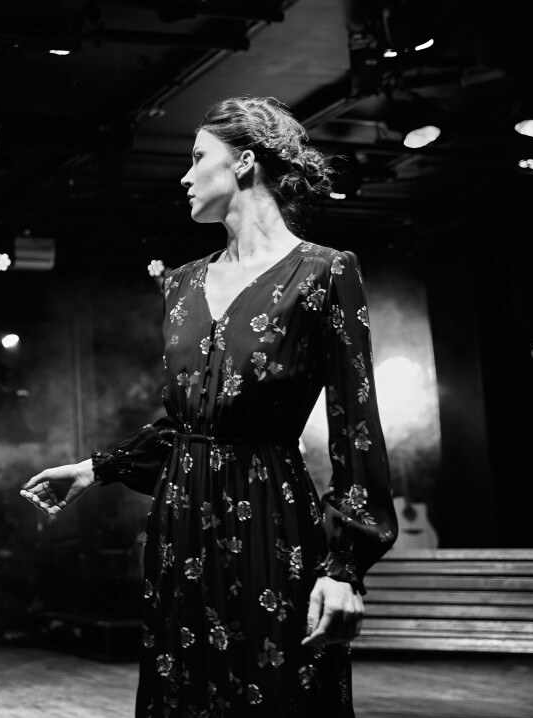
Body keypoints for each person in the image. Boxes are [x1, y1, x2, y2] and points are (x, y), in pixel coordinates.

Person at [21, 96, 397, 717]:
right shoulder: (181, 283)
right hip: (181, 524)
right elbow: (187, 424)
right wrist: (96, 469)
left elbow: (356, 425)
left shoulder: (325, 273)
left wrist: (345, 566)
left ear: (244, 163)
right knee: (182, 694)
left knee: (279, 693)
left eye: (198, 158)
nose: (185, 176)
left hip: (272, 519)